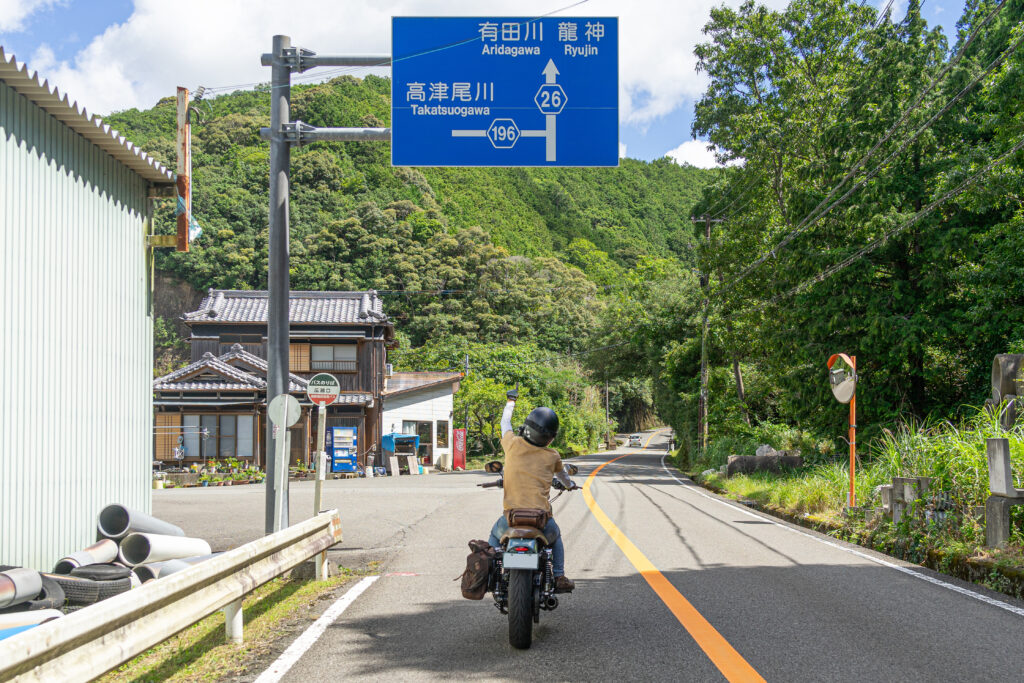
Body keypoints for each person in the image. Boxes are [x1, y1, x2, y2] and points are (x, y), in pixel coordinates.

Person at [487, 389, 576, 592]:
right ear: (550, 438)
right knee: (556, 538)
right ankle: (560, 576)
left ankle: (490, 574)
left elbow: (505, 423)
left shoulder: (512, 444)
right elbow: (564, 476)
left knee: (493, 539)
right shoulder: (553, 456)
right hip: (541, 519)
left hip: (511, 518)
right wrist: (570, 485)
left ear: (526, 427)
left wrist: (511, 401)